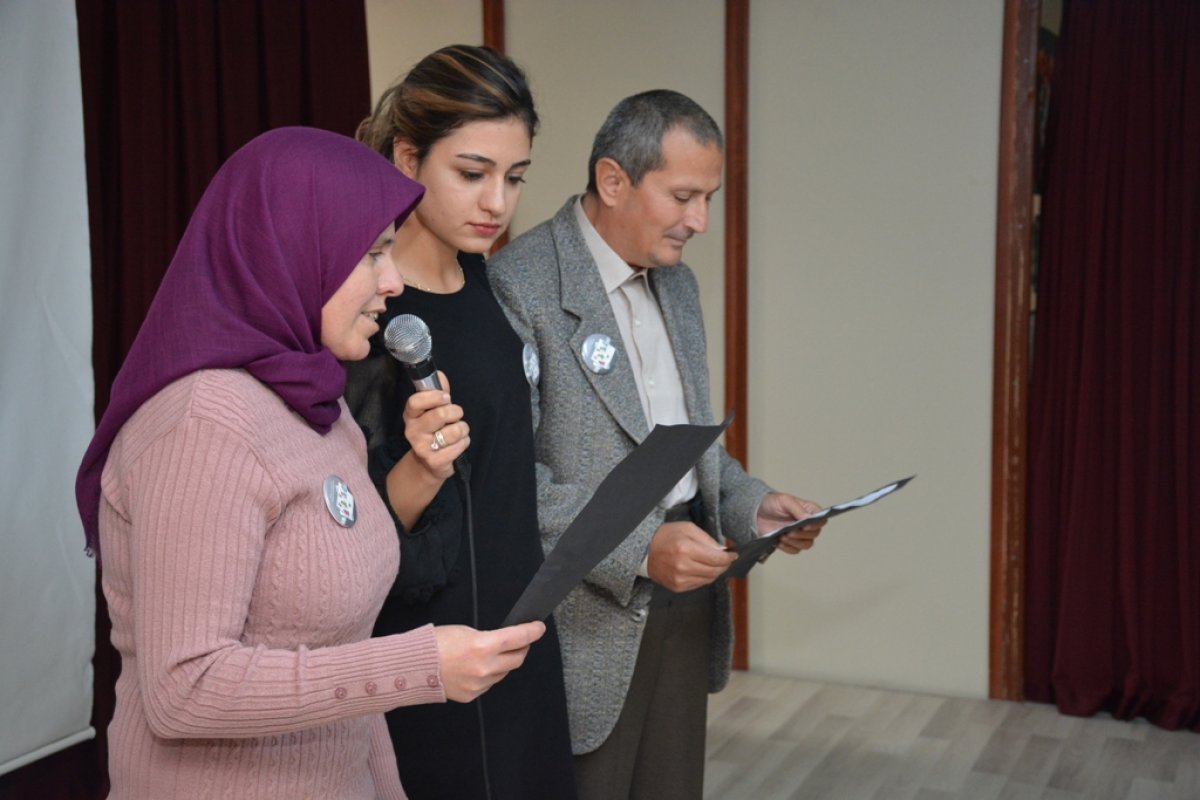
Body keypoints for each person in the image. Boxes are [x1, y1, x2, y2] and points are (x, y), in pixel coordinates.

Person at [73, 127, 547, 800]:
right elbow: (184, 688)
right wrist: (418, 665)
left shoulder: (317, 404)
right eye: (373, 254)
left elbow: (346, 661)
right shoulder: (201, 424)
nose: (392, 282)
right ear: (292, 250)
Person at [487, 89, 827, 799]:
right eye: (683, 197)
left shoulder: (678, 286)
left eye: (709, 198)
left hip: (687, 597)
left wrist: (752, 506)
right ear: (613, 180)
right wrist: (642, 547)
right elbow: (510, 485)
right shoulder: (519, 285)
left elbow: (688, 452)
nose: (699, 221)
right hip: (582, 620)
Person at [345, 45, 576, 799]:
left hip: (521, 625)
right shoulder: (366, 315)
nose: (497, 203)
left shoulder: (486, 281)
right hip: (429, 646)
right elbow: (353, 528)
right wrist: (420, 469)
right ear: (407, 158)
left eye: (515, 177)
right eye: (472, 173)